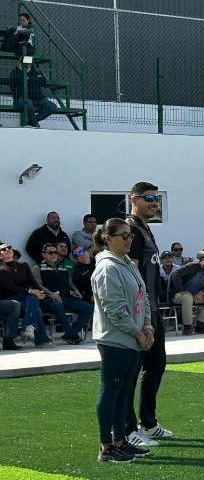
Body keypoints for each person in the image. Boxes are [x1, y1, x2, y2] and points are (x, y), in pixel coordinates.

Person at [91, 218, 154, 463]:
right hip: (116, 339)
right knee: (111, 391)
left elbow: (143, 295)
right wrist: (138, 333)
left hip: (133, 337)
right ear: (108, 238)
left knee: (124, 392)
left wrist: (147, 325)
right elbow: (114, 309)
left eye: (130, 236)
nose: (129, 240)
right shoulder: (107, 267)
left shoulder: (127, 263)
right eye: (124, 236)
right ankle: (107, 447)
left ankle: (120, 440)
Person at [125, 182, 172, 447]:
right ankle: (128, 428)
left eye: (157, 199)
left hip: (152, 310)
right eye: (150, 198)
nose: (155, 203)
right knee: (132, 372)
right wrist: (140, 317)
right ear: (134, 199)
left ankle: (149, 423)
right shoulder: (130, 229)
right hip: (139, 311)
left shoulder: (145, 229)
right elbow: (130, 274)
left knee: (156, 367)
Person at [33, 242, 91, 343]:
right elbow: (37, 285)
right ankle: (72, 335)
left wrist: (76, 291)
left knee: (89, 307)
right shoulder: (38, 267)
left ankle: (70, 334)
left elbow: (70, 282)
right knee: (58, 305)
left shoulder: (62, 266)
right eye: (50, 252)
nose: (54, 254)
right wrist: (50, 294)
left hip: (65, 298)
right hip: (48, 300)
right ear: (43, 254)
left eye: (55, 252)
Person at [0, 241, 55, 347]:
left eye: (9, 247)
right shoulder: (1, 269)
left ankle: (30, 327)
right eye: (3, 249)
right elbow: (11, 288)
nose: (7, 250)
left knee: (36, 307)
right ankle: (40, 338)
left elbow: (33, 282)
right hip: (9, 297)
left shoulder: (23, 265)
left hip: (25, 299)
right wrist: (31, 291)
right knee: (33, 300)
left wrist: (41, 292)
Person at [169, 248, 204, 335]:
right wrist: (182, 291)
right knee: (187, 296)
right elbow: (175, 274)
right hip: (179, 295)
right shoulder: (192, 266)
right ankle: (187, 327)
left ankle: (200, 325)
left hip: (195, 297)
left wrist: (202, 292)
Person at [9, 60, 56, 128]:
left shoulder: (34, 71)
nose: (28, 64)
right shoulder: (15, 72)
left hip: (38, 98)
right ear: (20, 63)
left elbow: (43, 81)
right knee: (28, 104)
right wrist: (34, 80)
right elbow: (19, 82)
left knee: (52, 106)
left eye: (29, 62)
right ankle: (34, 124)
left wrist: (28, 79)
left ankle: (32, 121)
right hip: (21, 98)